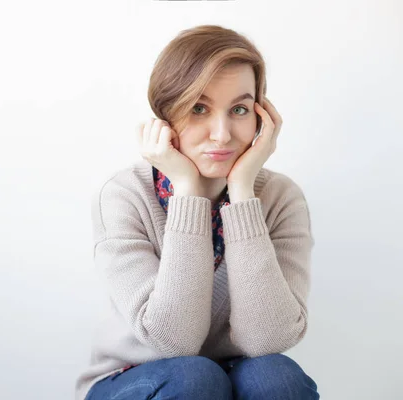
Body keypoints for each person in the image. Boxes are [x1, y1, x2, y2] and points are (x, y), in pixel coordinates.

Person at [75, 24, 320, 399]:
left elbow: (268, 339)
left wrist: (241, 194)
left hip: (232, 373)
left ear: (261, 118)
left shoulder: (280, 198)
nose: (221, 134)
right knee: (195, 378)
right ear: (166, 115)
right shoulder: (124, 195)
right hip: (136, 378)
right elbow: (173, 341)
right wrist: (187, 192)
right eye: (199, 108)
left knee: (277, 377)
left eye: (239, 109)